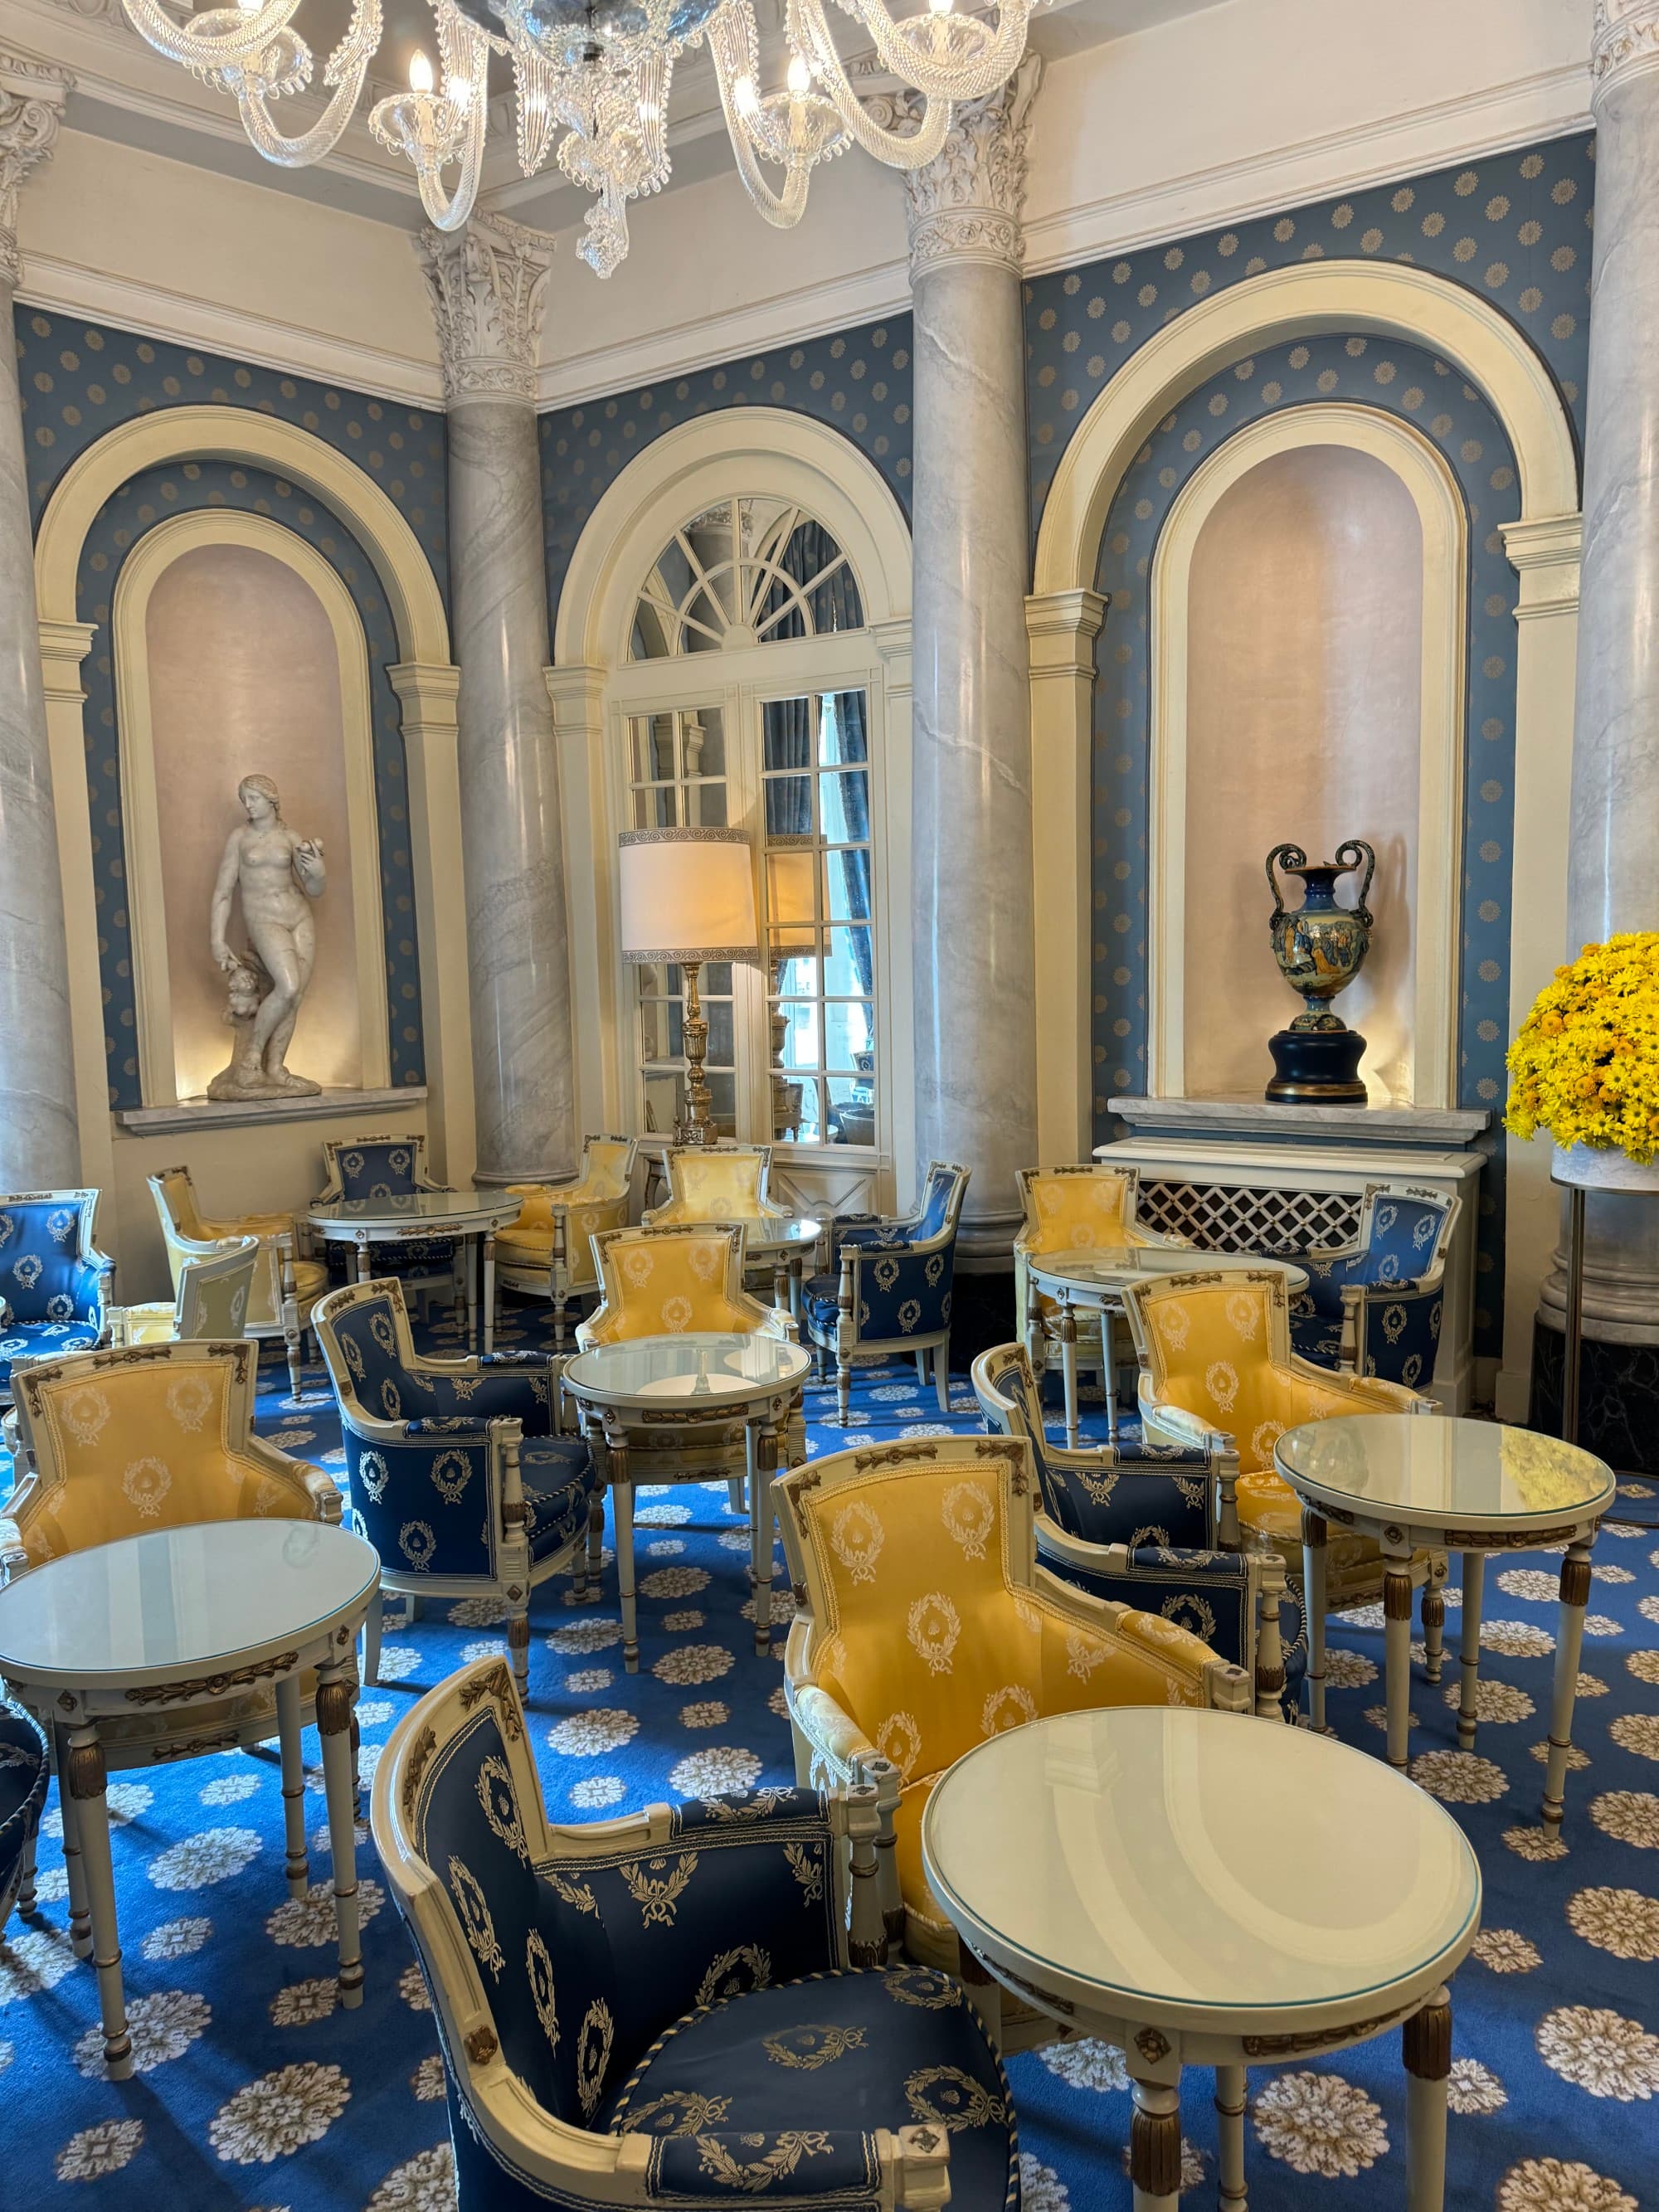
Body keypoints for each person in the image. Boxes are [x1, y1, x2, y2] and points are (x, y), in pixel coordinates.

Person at [208, 773, 326, 1096]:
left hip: (298, 916)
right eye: (244, 798)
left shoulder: (291, 838)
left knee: (296, 995)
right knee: (287, 987)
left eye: (253, 797)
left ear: (271, 798)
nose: (248, 804)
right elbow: (222, 892)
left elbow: (314, 889)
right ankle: (250, 1060)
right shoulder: (240, 839)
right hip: (264, 919)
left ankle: (275, 1068)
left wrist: (317, 872)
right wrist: (217, 940)